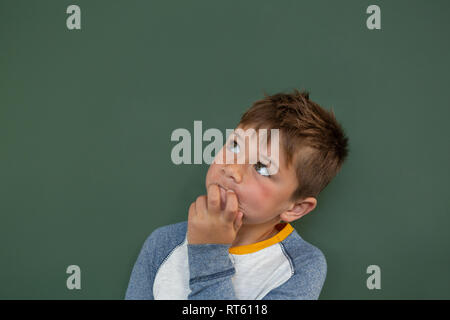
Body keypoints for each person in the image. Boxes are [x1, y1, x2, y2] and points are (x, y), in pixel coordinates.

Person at [125, 89, 349, 300]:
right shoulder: (162, 244)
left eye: (262, 167)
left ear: (295, 207)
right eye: (234, 146)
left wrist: (209, 252)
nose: (231, 169)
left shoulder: (301, 267)